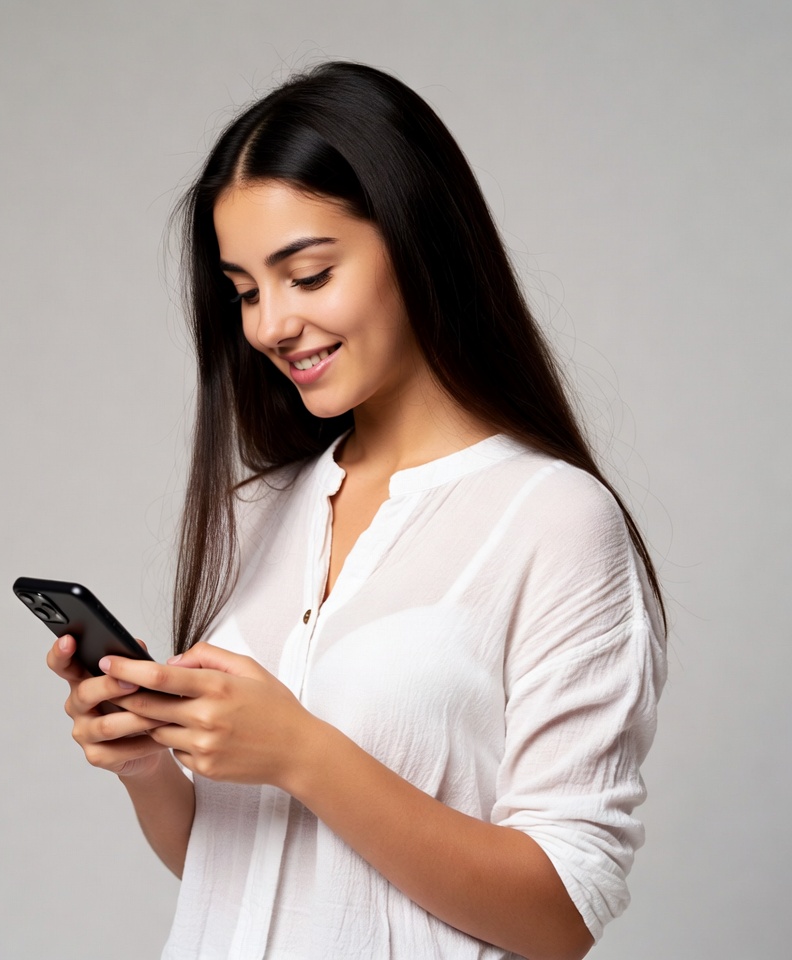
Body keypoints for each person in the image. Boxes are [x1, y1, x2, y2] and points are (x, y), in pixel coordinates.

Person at [47, 61, 666, 960]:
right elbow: (238, 870)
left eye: (307, 274)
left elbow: (560, 916)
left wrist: (299, 750)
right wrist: (149, 764)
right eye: (246, 291)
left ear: (418, 242)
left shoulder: (555, 520)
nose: (268, 327)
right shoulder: (262, 508)